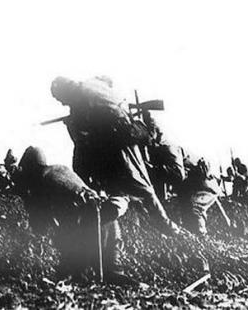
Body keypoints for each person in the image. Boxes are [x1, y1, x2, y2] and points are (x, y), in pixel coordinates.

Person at [50, 75, 180, 282]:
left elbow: (83, 140)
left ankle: (168, 228)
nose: (62, 103)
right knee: (132, 192)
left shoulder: (80, 101)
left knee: (136, 189)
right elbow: (106, 82)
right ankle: (164, 228)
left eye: (60, 98)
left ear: (66, 90)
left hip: (113, 145)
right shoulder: (91, 87)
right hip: (121, 139)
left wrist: (74, 126)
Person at [13, 146, 101, 278]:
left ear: (31, 167)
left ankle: (76, 271)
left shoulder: (42, 180)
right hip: (99, 208)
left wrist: (25, 196)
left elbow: (39, 223)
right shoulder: (60, 169)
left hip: (83, 216)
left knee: (66, 251)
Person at [175, 158, 220, 235]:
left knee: (196, 209)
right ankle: (197, 229)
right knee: (198, 209)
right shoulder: (211, 180)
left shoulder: (197, 177)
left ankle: (198, 230)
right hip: (209, 190)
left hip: (204, 190)